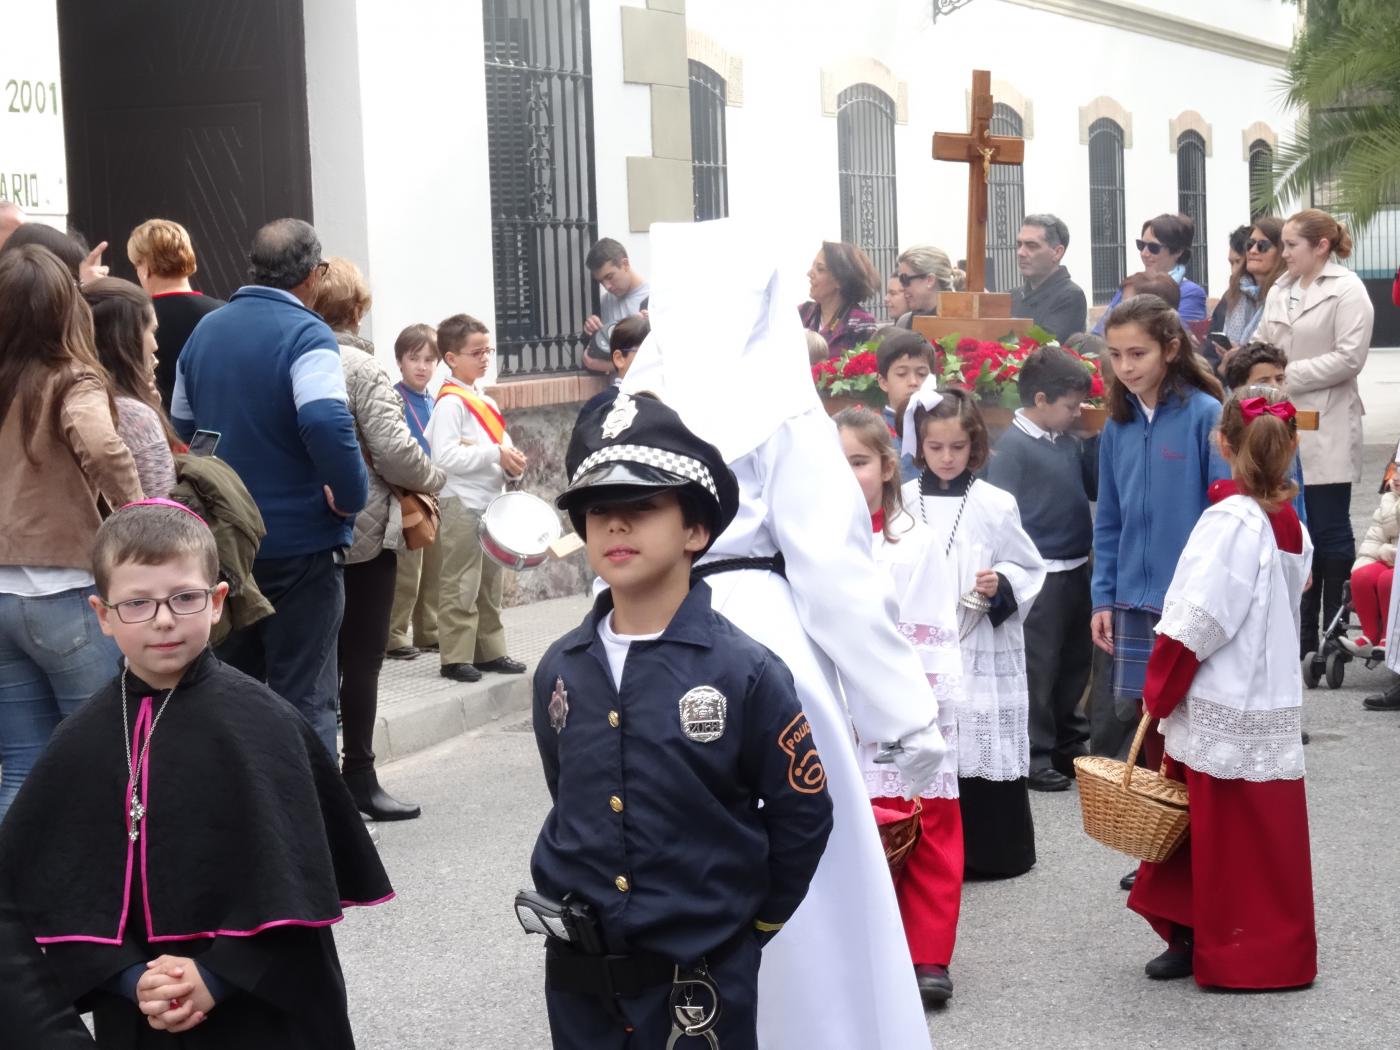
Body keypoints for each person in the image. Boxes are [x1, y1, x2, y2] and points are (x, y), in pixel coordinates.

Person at [623, 218, 948, 1050]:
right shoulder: (781, 411)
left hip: (648, 637)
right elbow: (837, 575)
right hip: (763, 632)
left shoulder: (632, 408)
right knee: (799, 856)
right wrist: (902, 713)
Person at [0, 499, 393, 1046]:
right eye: (136, 603)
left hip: (262, 1010)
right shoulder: (79, 742)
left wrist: (216, 976)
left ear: (216, 602)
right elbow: (60, 891)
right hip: (141, 1012)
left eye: (184, 598)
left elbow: (298, 891)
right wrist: (132, 978)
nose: (163, 619)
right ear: (102, 616)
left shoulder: (267, 725)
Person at [528, 391, 832, 1048]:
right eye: (598, 512)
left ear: (695, 531)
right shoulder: (560, 668)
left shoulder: (744, 671)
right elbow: (571, 791)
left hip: (700, 980)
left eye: (642, 509)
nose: (615, 527)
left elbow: (801, 814)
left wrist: (752, 927)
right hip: (581, 979)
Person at [1127, 386, 1316, 989]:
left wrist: (1160, 687)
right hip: (1269, 693)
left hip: (1220, 694)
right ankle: (1270, 949)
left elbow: (1198, 618)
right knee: (1263, 841)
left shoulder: (1229, 521)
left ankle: (1216, 946)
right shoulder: (1290, 522)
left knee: (1211, 835)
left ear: (1222, 443)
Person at [171, 218, 369, 758]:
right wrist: (350, 496)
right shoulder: (308, 335)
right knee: (304, 694)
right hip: (301, 541)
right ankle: (311, 827)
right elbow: (327, 420)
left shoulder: (207, 329)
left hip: (226, 542)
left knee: (232, 690)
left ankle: (244, 820)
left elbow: (183, 420)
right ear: (315, 274)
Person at [0, 246, 143, 819]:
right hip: (64, 590)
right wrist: (135, 512)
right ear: (65, 307)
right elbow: (104, 444)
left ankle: (15, 902)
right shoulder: (70, 377)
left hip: (2, 594)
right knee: (107, 759)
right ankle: (105, 899)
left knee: (21, 766)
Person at [1091, 295, 1224, 889]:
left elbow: (1223, 517)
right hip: (1134, 601)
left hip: (1189, 602)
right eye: (1116, 354)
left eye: (1138, 352)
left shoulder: (1204, 414)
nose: (1126, 365)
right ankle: (1159, 842)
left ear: (1171, 349)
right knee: (1148, 723)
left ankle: (1202, 844)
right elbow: (1109, 521)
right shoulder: (1116, 426)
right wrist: (1103, 596)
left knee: (1191, 727)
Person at [836, 406, 964, 1005]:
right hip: (840, 711)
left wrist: (918, 713)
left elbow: (931, 626)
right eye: (833, 465)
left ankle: (928, 955)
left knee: (926, 832)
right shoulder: (813, 541)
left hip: (908, 705)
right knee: (856, 837)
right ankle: (865, 952)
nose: (846, 476)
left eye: (858, 462)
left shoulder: (914, 542)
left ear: (887, 467)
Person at [311, 259, 443, 821]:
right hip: (361, 532)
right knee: (360, 660)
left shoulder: (289, 353)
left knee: (307, 660)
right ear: (359, 308)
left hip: (295, 530)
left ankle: (305, 779)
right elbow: (395, 452)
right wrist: (434, 479)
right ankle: (358, 777)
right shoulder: (359, 366)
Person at [902, 385, 1045, 878]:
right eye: (936, 447)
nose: (946, 457)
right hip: (921, 646)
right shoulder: (902, 502)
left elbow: (1028, 565)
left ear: (976, 445)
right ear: (919, 445)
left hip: (980, 635)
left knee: (980, 737)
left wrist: (1000, 580)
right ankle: (920, 846)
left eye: (958, 447)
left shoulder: (995, 503)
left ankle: (992, 852)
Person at [1257, 208, 1375, 660]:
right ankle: (1301, 634)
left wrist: (1286, 376)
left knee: (1329, 528)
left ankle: (1334, 630)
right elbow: (1266, 344)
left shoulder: (1348, 290)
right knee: (1294, 529)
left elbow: (1350, 357)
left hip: (1326, 417)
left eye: (1290, 245)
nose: (1281, 253)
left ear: (1321, 246)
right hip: (1281, 419)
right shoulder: (1281, 290)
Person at [983, 346, 1096, 792]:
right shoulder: (1013, 447)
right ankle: (1035, 752)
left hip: (1074, 564)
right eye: (1071, 406)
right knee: (1040, 665)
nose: (1077, 414)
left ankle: (1071, 744)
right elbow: (999, 513)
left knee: (1074, 660)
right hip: (1040, 572)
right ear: (1042, 400)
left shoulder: (1067, 441)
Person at [427, 314, 528, 683]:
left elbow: (502, 449)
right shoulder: (450, 404)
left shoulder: (485, 400)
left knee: (489, 581)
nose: (485, 358)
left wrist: (512, 466)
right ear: (452, 358)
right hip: (462, 501)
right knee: (461, 581)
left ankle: (490, 650)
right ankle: (454, 656)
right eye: (476, 352)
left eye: (488, 350)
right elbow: (444, 458)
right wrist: (493, 456)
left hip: (489, 500)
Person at [85, 277, 179, 498]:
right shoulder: (135, 417)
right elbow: (163, 511)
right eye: (151, 331)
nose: (155, 345)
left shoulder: (75, 401)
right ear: (126, 340)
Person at [387, 323, 444, 661]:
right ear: (400, 361)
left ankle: (429, 629)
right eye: (414, 359)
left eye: (429, 359)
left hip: (434, 491)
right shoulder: (394, 398)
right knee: (408, 570)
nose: (422, 367)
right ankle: (394, 635)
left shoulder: (436, 401)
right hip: (407, 493)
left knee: (435, 567)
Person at [126, 219, 226, 409]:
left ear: (146, 268)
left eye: (136, 265)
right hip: (212, 428)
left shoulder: (132, 318)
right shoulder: (222, 312)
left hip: (158, 427)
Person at [1219, 341, 1307, 524]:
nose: (1274, 387)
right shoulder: (1233, 430)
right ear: (1239, 389)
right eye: (1263, 381)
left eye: (1280, 379)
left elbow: (1296, 491)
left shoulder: (1286, 426)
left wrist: (1299, 527)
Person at [1093, 214, 1208, 332]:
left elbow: (1175, 336)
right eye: (1141, 245)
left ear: (1178, 251)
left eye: (1154, 247)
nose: (1144, 253)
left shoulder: (1190, 293)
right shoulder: (1131, 285)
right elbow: (1099, 332)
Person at [1008, 214, 1088, 342]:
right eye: (1019, 244)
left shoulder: (1071, 296)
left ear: (1057, 252)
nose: (1020, 253)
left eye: (1031, 245)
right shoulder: (1012, 295)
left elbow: (1043, 350)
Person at [581, 238, 649, 373]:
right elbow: (593, 356)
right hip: (614, 389)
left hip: (642, 391)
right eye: (601, 281)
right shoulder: (604, 303)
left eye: (610, 277)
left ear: (625, 264)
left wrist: (603, 365)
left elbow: (654, 358)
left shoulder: (654, 299)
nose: (607, 286)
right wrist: (590, 333)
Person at [799, 240, 879, 356]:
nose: (810, 273)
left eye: (820, 269)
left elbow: (865, 369)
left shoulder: (860, 323)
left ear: (840, 281)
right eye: (813, 266)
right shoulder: (802, 313)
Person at [875, 328, 934, 483]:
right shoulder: (875, 431)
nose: (913, 382)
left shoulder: (942, 424)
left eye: (922, 374)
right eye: (901, 374)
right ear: (883, 382)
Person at [1350, 473, 1398, 652]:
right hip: (1390, 557)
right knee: (1362, 576)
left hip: (1393, 559)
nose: (1397, 478)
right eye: (1397, 471)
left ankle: (1389, 637)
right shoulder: (1388, 500)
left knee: (1388, 579)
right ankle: (1370, 636)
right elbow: (1374, 541)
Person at [580, 314, 651, 417]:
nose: (651, 357)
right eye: (642, 351)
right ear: (618, 359)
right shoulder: (600, 406)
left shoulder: (664, 399)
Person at [893, 245, 955, 331]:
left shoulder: (962, 322)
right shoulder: (904, 323)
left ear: (930, 280)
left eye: (904, 279)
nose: (902, 287)